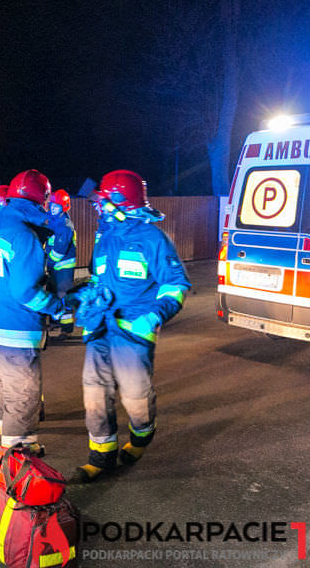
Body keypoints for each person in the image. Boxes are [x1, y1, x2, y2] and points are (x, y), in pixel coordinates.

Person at [73, 170, 190, 483]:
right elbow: (99, 277)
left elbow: (176, 285)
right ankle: (102, 457)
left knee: (136, 399)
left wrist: (152, 317)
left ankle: (141, 436)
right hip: (100, 329)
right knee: (95, 394)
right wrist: (89, 294)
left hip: (134, 333)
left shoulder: (153, 239)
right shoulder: (105, 235)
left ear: (121, 203)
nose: (99, 208)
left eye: (105, 202)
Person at [0, 169, 66, 455]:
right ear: (41, 199)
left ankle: (13, 446)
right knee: (25, 396)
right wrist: (57, 307)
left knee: (9, 393)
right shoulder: (24, 236)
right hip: (17, 329)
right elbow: (26, 292)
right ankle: (17, 457)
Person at [45, 189, 77, 339]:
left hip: (63, 268)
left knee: (63, 296)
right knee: (52, 294)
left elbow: (58, 253)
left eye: (56, 206)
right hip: (54, 268)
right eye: (51, 205)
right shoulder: (53, 222)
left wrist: (45, 260)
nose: (52, 208)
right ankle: (55, 322)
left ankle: (67, 329)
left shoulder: (65, 226)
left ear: (63, 207)